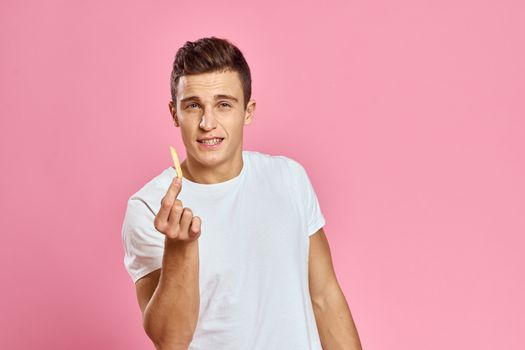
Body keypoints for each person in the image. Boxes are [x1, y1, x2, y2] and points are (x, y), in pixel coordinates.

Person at [121, 36, 362, 350]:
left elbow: (325, 298)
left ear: (248, 111)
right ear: (174, 113)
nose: (208, 123)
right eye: (193, 106)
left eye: (224, 105)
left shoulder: (288, 178)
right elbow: (171, 340)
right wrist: (180, 249)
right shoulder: (149, 208)